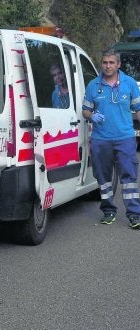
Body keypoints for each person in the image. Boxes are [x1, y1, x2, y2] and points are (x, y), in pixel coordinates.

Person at [82, 48, 140, 229]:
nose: (108, 66)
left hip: (125, 138)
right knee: (103, 178)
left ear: (118, 64)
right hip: (100, 139)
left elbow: (138, 110)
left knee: (129, 177)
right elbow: (85, 110)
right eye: (105, 62)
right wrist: (91, 116)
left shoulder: (130, 83)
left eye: (111, 62)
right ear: (102, 64)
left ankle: (134, 215)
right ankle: (108, 211)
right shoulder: (93, 85)